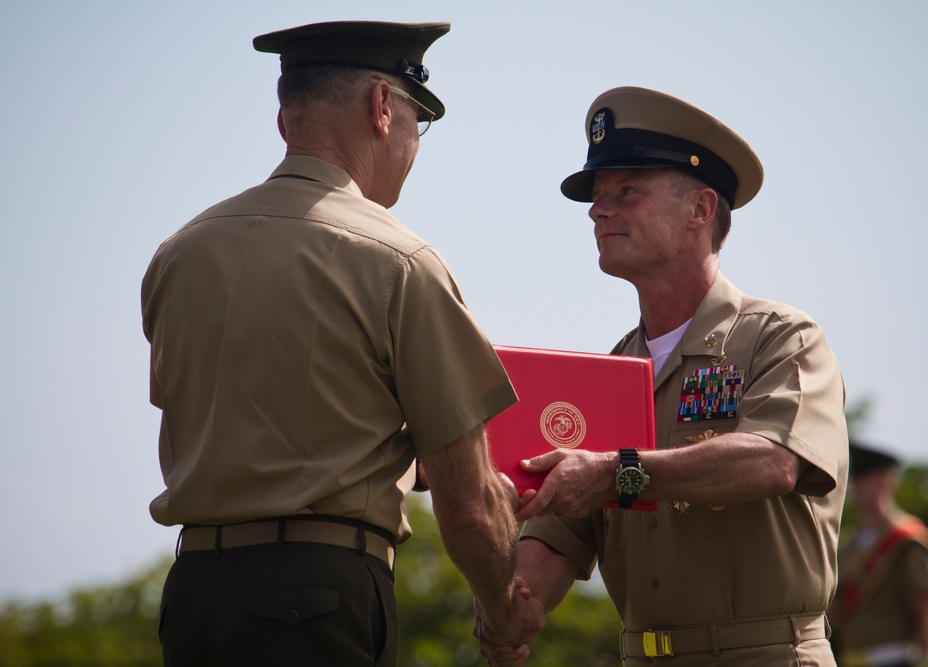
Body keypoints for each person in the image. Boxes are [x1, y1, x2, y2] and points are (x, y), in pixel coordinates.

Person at [141, 21, 542, 666]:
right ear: (383, 108)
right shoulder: (399, 260)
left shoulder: (178, 254)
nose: (416, 145)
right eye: (420, 120)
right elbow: (468, 509)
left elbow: (261, 428)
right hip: (318, 602)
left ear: (285, 118)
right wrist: (504, 612)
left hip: (192, 601)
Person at [477, 86, 850, 665]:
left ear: (701, 209)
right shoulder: (606, 375)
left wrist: (618, 473)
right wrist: (514, 608)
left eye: (628, 191)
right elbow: (561, 531)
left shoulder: (782, 338)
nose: (600, 210)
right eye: (597, 198)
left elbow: (773, 461)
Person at [828, 442, 928, 667]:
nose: (854, 486)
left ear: (883, 481)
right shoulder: (850, 542)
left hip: (896, 660)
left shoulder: (909, 540)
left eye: (861, 479)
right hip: (850, 658)